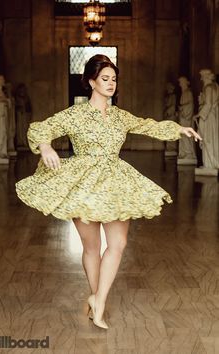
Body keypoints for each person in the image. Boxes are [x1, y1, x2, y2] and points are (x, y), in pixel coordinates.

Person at [15, 55, 201, 330]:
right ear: (91, 81)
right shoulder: (75, 114)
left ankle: (99, 298)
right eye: (105, 78)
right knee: (91, 247)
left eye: (114, 79)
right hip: (84, 184)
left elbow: (147, 125)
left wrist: (179, 129)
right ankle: (97, 298)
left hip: (115, 183)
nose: (111, 83)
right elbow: (42, 128)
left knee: (118, 244)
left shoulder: (119, 116)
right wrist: (45, 146)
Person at [194, 69, 219, 170]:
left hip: (208, 117)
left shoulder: (208, 88)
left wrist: (199, 115)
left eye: (202, 77)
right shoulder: (215, 86)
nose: (201, 79)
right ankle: (213, 163)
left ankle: (209, 164)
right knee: (212, 138)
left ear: (207, 77)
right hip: (212, 116)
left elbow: (208, 104)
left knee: (208, 138)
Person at [177, 76, 197, 162]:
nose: (180, 84)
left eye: (181, 82)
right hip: (183, 117)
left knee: (187, 135)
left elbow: (190, 105)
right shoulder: (184, 93)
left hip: (186, 117)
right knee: (183, 135)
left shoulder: (188, 93)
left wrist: (182, 109)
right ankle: (184, 152)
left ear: (185, 82)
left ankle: (188, 153)